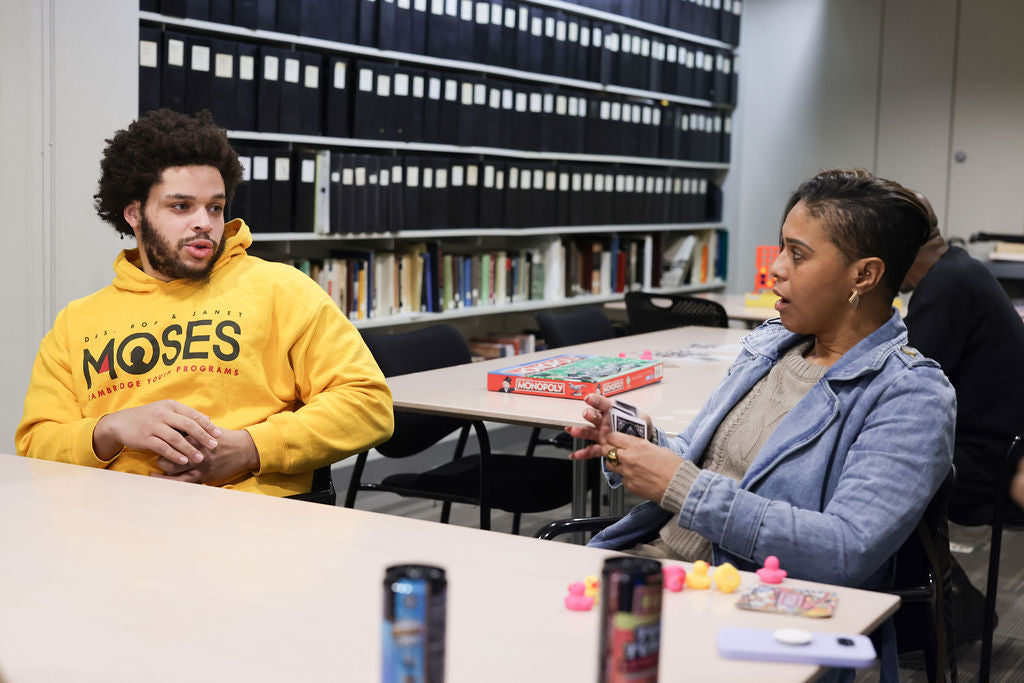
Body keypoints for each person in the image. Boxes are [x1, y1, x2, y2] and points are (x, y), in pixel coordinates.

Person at [566, 169, 956, 680]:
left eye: (798, 254)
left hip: (753, 608)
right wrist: (642, 445)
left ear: (863, 276)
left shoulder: (911, 395)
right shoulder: (772, 346)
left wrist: (679, 485)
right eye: (781, 248)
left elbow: (845, 551)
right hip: (659, 569)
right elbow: (702, 463)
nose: (776, 269)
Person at [16, 109, 395, 496]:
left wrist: (249, 448)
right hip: (115, 517)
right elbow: (35, 444)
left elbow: (368, 406)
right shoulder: (76, 322)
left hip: (255, 518)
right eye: (181, 206)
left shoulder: (281, 290)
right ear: (134, 213)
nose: (204, 222)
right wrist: (108, 430)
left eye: (215, 207)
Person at [900, 193, 1024, 520]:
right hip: (1001, 453)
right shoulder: (958, 268)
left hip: (989, 466)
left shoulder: (947, 284)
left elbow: (901, 381)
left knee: (873, 457)